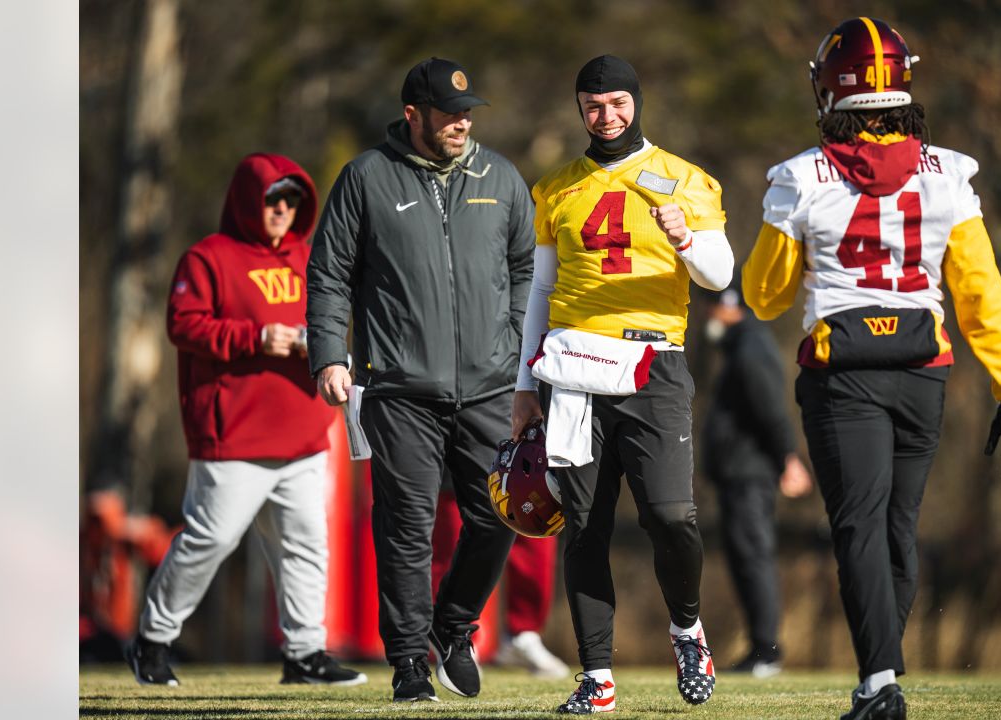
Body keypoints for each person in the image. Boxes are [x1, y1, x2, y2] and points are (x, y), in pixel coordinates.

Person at [742, 19, 1001, 720]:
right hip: (923, 366)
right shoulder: (951, 175)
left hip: (844, 376)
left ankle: (878, 684)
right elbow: (979, 290)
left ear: (829, 89)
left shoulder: (800, 177)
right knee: (898, 526)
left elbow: (764, 294)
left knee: (860, 527)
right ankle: (883, 673)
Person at [509, 55, 735, 714]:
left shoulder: (684, 179)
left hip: (652, 363)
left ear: (637, 103)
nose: (606, 117)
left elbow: (719, 275)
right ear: (580, 109)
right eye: (593, 106)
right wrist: (525, 385)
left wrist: (685, 238)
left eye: (617, 104)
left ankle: (688, 630)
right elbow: (541, 292)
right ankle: (596, 677)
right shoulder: (554, 187)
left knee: (671, 516)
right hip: (574, 368)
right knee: (584, 527)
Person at [305, 57, 535, 702]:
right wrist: (328, 354)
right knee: (405, 526)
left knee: (501, 514)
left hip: (491, 384)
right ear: (414, 116)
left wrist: (514, 338)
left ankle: (454, 625)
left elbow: (525, 268)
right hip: (400, 387)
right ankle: (409, 662)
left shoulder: (502, 177)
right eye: (450, 113)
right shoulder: (366, 178)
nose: (463, 122)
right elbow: (328, 273)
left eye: (468, 112)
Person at [128, 153, 366, 688]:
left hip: (303, 433)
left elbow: (331, 318)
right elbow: (182, 324)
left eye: (291, 200)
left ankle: (305, 653)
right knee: (209, 539)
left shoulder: (310, 258)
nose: (281, 209)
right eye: (271, 199)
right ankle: (152, 640)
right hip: (233, 434)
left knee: (307, 544)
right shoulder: (208, 258)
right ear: (246, 199)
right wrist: (254, 338)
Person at [702, 285, 814, 678]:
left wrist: (789, 458)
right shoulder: (739, 349)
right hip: (738, 473)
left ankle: (767, 652)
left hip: (751, 474)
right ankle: (758, 648)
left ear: (731, 308)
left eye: (715, 308)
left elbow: (771, 409)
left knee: (754, 557)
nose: (709, 317)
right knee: (743, 558)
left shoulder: (750, 350)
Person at [431, 484, 571, 678]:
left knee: (537, 528)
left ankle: (521, 635)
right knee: (455, 536)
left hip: (524, 459)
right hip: (463, 460)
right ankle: (455, 639)